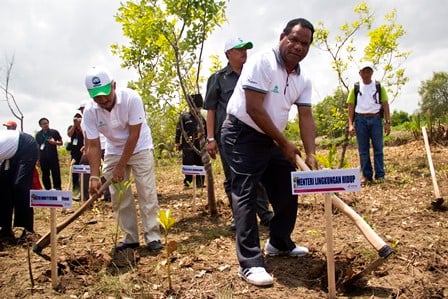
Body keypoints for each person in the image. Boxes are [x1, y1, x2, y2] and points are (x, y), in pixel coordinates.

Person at [221, 18, 317, 286]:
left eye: (304, 43)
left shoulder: (303, 77)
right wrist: (284, 143)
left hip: (271, 138)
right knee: (246, 193)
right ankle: (250, 263)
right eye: (294, 39)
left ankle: (279, 242)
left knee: (288, 187)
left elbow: (306, 116)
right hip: (242, 133)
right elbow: (253, 107)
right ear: (282, 36)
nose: (298, 46)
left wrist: (309, 153)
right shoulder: (262, 61)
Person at [82, 66, 162, 252]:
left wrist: (120, 166)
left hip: (140, 146)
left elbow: (134, 136)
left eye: (105, 95)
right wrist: (94, 176)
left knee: (146, 191)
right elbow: (92, 145)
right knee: (119, 195)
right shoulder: (89, 111)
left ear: (114, 85)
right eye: (97, 97)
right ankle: (130, 237)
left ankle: (153, 236)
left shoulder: (131, 99)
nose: (102, 100)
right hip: (113, 149)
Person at [204, 37, 273, 229]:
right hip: (228, 136)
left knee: (257, 174)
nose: (244, 53)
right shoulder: (217, 79)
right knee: (233, 177)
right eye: (239, 49)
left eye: (246, 49)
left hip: (253, 133)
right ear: (228, 54)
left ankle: (265, 214)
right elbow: (210, 109)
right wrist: (210, 138)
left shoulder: (253, 74)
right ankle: (240, 216)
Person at [347, 62, 391, 185]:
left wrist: (388, 122)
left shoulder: (378, 86)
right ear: (360, 73)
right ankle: (366, 175)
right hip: (360, 120)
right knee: (363, 150)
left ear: (372, 72)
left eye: (369, 71)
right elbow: (350, 106)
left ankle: (380, 175)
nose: (366, 74)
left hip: (376, 119)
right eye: (364, 71)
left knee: (378, 149)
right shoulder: (355, 88)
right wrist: (351, 124)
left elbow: (385, 104)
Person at [0, 130, 39, 244]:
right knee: (3, 188)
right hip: (10, 153)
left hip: (26, 145)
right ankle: (5, 230)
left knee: (20, 186)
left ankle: (28, 230)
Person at [175, 94, 206, 187]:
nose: (196, 110)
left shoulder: (201, 118)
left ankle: (200, 182)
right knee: (188, 162)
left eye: (198, 108)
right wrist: (177, 142)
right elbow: (178, 130)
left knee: (200, 162)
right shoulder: (184, 117)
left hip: (199, 146)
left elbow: (206, 130)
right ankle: (187, 181)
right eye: (194, 108)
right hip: (187, 145)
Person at [35, 117, 63, 190]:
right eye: (44, 124)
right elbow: (38, 147)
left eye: (47, 123)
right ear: (40, 125)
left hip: (53, 157)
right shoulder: (38, 135)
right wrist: (37, 159)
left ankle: (57, 188)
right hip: (43, 158)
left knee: (56, 173)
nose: (46, 125)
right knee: (45, 174)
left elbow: (61, 142)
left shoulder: (54, 132)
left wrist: (54, 142)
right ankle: (48, 189)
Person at [67, 113, 84, 194]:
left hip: (83, 150)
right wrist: (74, 125)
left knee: (84, 169)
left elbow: (85, 134)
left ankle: (83, 186)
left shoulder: (84, 126)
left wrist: (80, 125)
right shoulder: (71, 127)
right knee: (74, 170)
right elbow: (69, 134)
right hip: (74, 152)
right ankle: (75, 186)